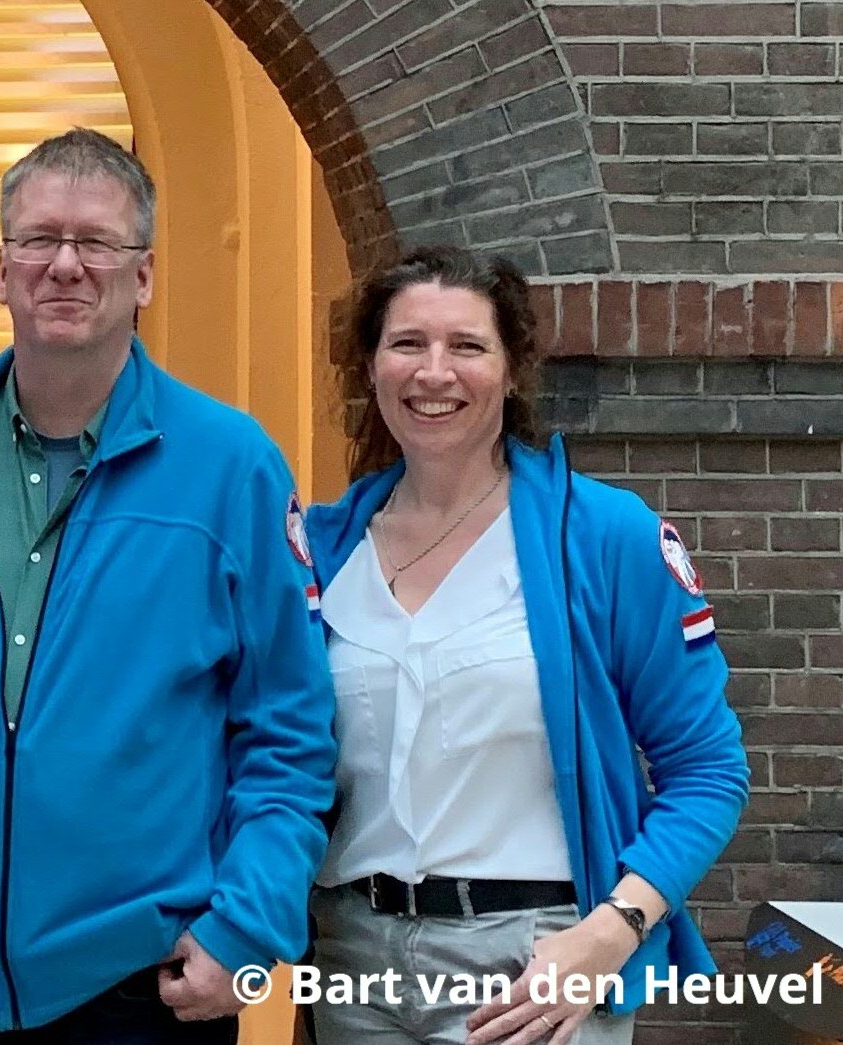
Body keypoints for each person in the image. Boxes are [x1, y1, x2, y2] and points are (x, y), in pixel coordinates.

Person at [0, 128, 335, 1043]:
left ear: (143, 276)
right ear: (3, 268)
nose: (65, 265)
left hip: (145, 985)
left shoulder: (231, 467)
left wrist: (247, 927)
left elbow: (289, 729)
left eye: (96, 242)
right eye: (39, 240)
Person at [300, 246, 748, 1045]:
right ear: (370, 366)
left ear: (512, 371)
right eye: (407, 343)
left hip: (532, 965)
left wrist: (611, 932)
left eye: (467, 346)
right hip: (352, 966)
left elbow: (710, 770)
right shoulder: (323, 550)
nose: (434, 371)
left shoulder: (604, 538)